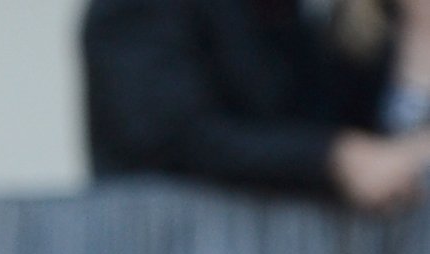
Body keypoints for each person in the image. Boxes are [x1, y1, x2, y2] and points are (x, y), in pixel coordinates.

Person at [86, 0, 430, 210]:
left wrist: (419, 30)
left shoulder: (277, 12)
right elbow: (170, 138)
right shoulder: (139, 8)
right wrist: (333, 157)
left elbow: (343, 122)